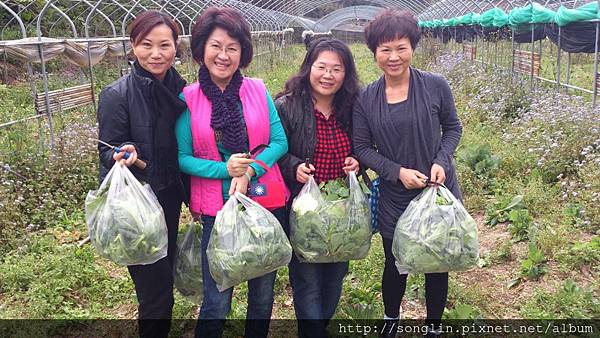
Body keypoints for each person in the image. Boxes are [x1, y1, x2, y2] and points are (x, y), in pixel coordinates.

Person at [175, 7, 289, 338]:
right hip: (215, 209)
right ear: (201, 49)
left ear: (242, 52)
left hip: (262, 203)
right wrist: (224, 170)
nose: (223, 56)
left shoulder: (256, 89)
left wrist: (249, 171)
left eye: (232, 48)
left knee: (263, 293)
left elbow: (279, 140)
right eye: (216, 46)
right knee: (217, 297)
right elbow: (182, 157)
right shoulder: (189, 98)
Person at [352, 9, 463, 338]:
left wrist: (441, 160)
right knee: (395, 260)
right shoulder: (366, 98)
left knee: (437, 260)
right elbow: (362, 147)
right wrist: (396, 172)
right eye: (385, 49)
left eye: (401, 47)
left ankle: (433, 326)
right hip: (395, 194)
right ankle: (391, 319)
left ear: (412, 47)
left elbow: (453, 128)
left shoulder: (435, 85)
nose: (393, 56)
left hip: (436, 189)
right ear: (374, 53)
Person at [97, 10, 187, 338]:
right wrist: (123, 153)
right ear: (133, 46)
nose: (156, 53)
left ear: (176, 47)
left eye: (164, 45)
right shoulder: (117, 94)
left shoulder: (181, 91)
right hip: (137, 206)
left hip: (169, 197)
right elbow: (107, 149)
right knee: (157, 290)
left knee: (163, 277)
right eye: (146, 44)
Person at [275, 37, 361, 338]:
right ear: (308, 67)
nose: (328, 75)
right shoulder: (287, 106)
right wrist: (293, 165)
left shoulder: (353, 107)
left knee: (335, 276)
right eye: (321, 67)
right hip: (304, 210)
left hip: (341, 210)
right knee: (307, 279)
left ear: (346, 74)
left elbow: (366, 145)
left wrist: (356, 160)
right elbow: (273, 150)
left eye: (336, 69)